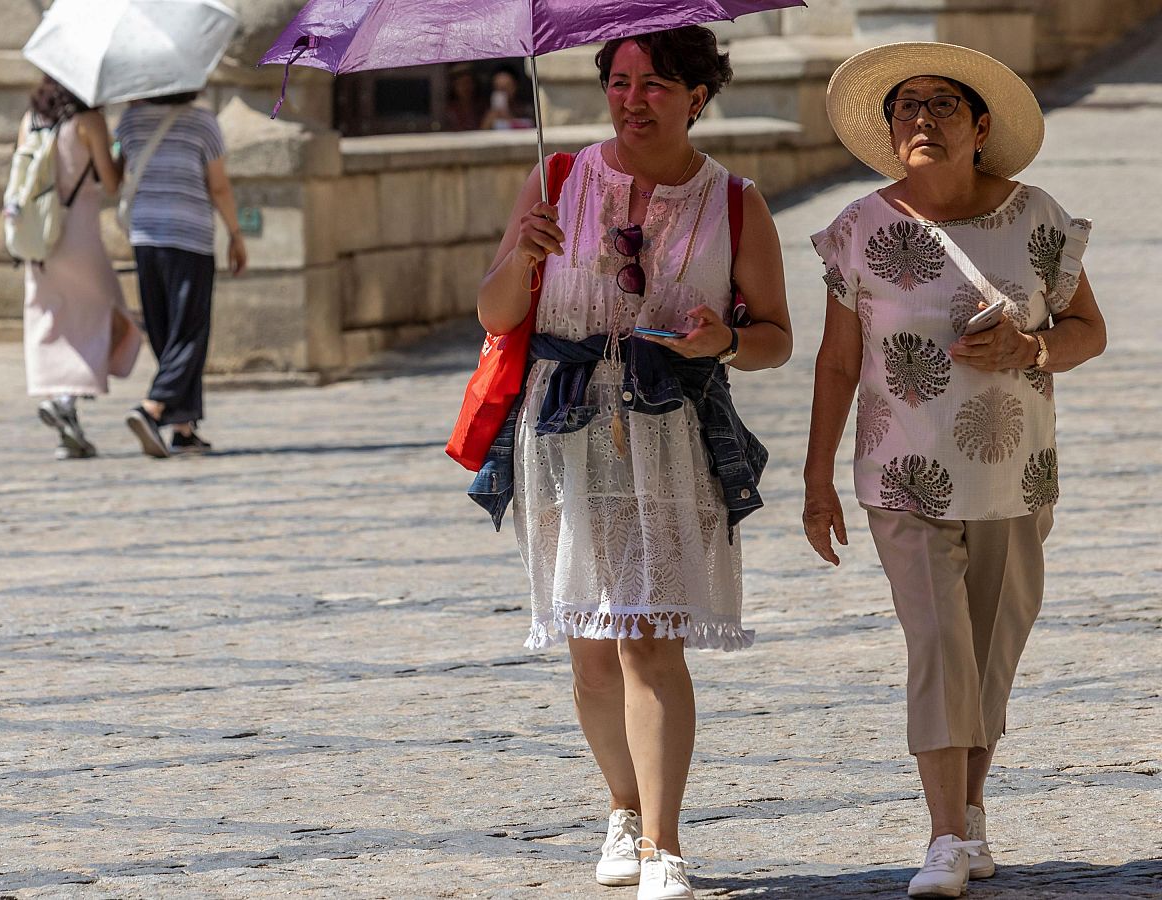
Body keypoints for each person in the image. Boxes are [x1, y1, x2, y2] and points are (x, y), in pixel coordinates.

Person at [475, 28, 792, 899]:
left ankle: (664, 845)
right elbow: (496, 312)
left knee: (651, 640)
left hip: (669, 437)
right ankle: (621, 808)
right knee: (590, 650)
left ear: (698, 95)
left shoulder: (734, 202)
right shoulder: (556, 180)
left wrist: (723, 336)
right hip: (567, 433)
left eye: (655, 83)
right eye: (619, 81)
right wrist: (523, 256)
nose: (632, 98)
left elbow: (774, 338)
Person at [802, 43, 1107, 899]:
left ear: (980, 128)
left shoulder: (1037, 216)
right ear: (890, 129)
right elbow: (836, 362)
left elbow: (1088, 329)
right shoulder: (859, 228)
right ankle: (942, 837)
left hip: (1015, 474)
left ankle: (969, 816)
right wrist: (815, 476)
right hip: (902, 476)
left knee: (988, 656)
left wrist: (1031, 346)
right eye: (907, 107)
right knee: (939, 645)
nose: (922, 120)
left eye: (941, 106)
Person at [115, 92, 247, 459]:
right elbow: (217, 185)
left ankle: (184, 428)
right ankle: (153, 406)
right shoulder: (202, 122)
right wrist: (235, 234)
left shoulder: (129, 122)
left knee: (164, 329)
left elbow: (114, 178)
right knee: (189, 331)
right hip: (188, 238)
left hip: (144, 236)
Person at [19, 76, 129, 460]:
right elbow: (111, 183)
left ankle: (63, 406)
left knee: (49, 316)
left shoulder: (32, 118)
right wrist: (120, 151)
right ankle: (66, 397)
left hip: (37, 231)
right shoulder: (89, 121)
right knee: (103, 311)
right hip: (78, 228)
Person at [443, 63, 485, 132]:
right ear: (455, 87)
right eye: (461, 84)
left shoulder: (482, 107)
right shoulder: (450, 111)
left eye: (468, 83)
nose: (466, 88)